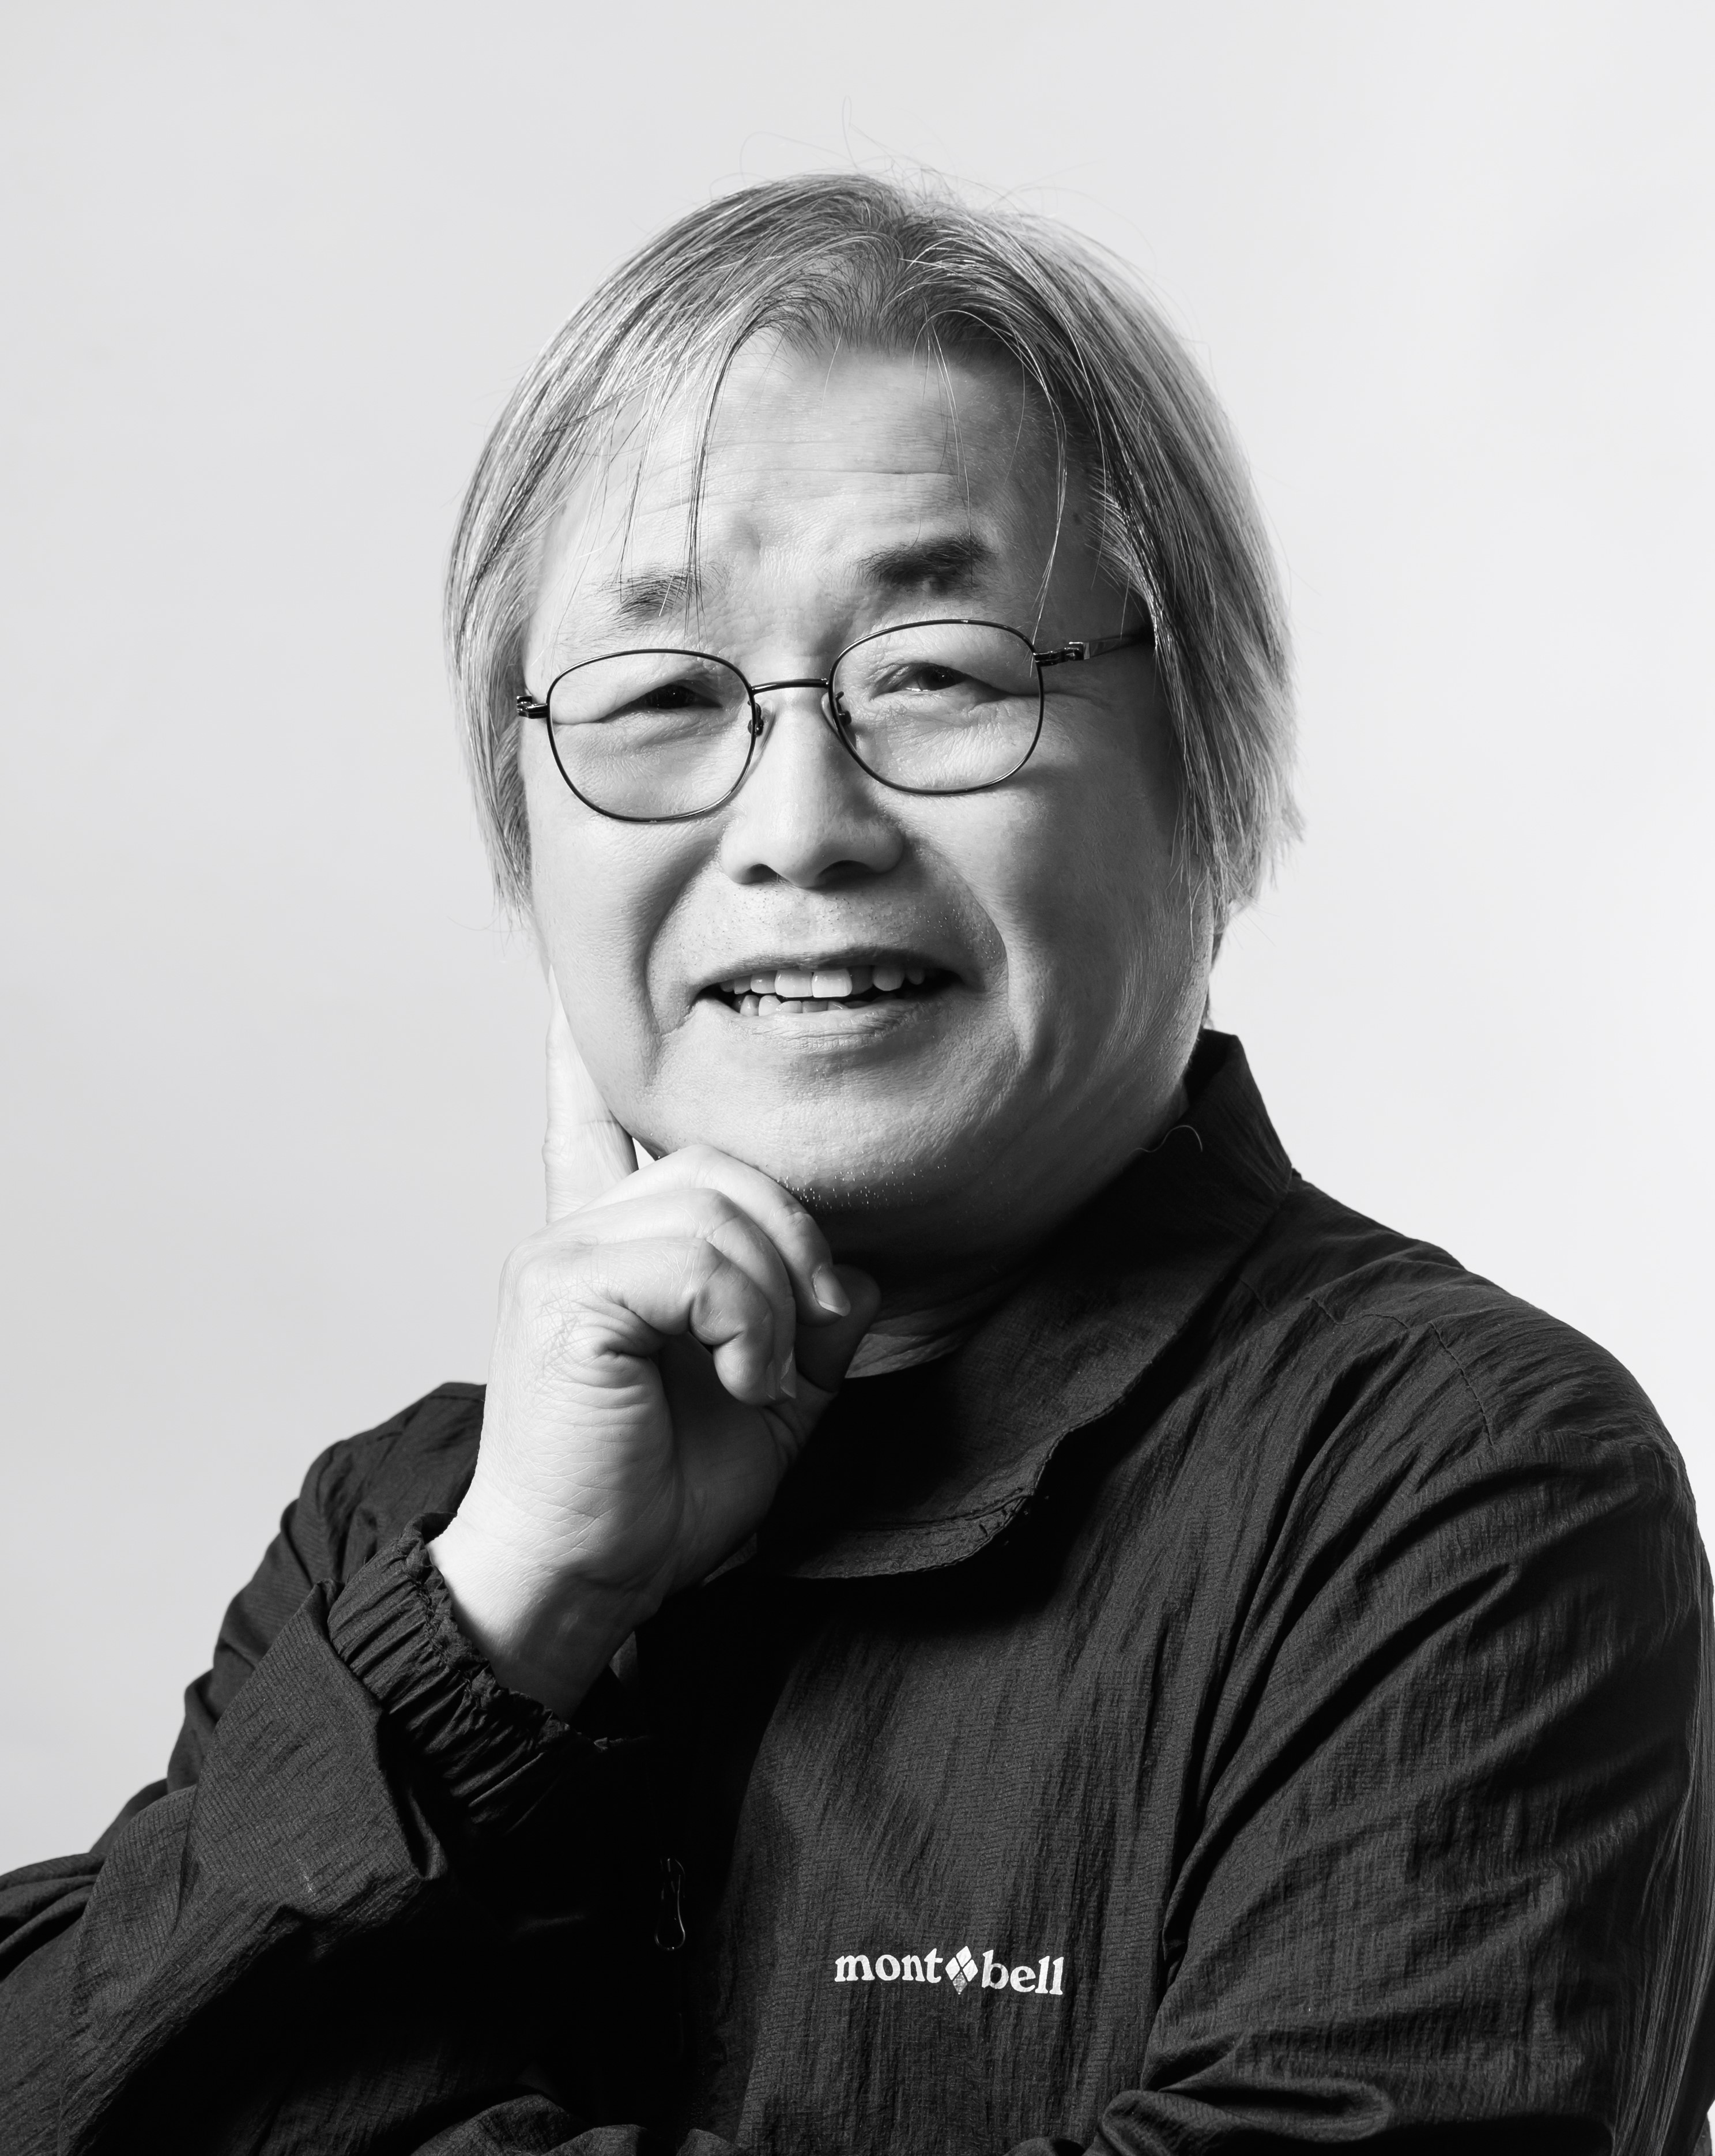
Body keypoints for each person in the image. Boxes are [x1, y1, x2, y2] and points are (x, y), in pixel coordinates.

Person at [1, 172, 1710, 2156]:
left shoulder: (1458, 1486)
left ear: (1211, 779)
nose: (799, 823)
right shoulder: (412, 1528)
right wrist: (498, 1622)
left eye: (941, 672)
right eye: (662, 697)